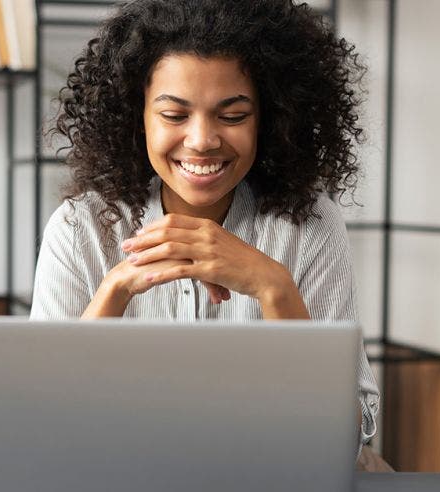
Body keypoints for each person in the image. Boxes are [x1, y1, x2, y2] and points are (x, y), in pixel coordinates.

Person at [30, 0, 380, 454]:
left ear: (269, 118)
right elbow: (39, 430)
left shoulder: (309, 225)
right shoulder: (81, 228)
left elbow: (343, 442)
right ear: (137, 116)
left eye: (232, 115)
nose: (202, 141)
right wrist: (112, 293)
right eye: (174, 115)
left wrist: (275, 288)